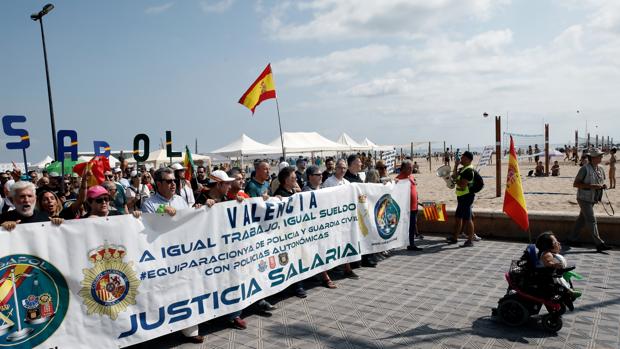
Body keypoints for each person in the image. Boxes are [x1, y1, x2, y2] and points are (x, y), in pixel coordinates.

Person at [140, 167, 204, 343]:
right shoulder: (149, 203)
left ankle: (190, 330)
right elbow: (149, 227)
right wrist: (163, 214)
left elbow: (188, 220)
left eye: (174, 181)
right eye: (168, 181)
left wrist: (197, 209)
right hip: (162, 255)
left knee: (186, 289)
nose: (173, 184)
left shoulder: (181, 200)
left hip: (182, 254)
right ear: (158, 184)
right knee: (165, 292)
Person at [568, 148, 612, 252]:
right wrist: (592, 186)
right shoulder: (584, 169)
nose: (601, 157)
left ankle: (571, 239)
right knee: (592, 220)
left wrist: (602, 186)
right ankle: (599, 244)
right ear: (593, 158)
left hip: (593, 198)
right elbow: (576, 184)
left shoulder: (600, 168)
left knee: (581, 219)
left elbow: (600, 182)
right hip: (583, 198)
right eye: (599, 156)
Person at [274, 166, 308, 297]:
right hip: (286, 234)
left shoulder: (293, 192)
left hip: (296, 232)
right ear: (285, 180)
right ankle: (296, 286)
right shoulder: (280, 194)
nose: (295, 178)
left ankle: (298, 284)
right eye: (292, 177)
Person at [344, 154, 376, 267]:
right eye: (358, 162)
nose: (361, 164)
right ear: (352, 164)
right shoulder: (346, 179)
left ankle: (366, 257)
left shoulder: (359, 178)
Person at [446, 151, 477, 247]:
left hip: (467, 196)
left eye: (463, 158)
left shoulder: (469, 170)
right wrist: (455, 166)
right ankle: (455, 238)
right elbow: (455, 175)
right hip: (461, 197)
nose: (461, 159)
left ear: (468, 159)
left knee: (468, 219)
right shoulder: (463, 169)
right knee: (458, 217)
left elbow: (463, 185)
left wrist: (455, 180)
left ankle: (470, 240)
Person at [396, 160, 423, 251]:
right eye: (409, 168)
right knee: (404, 227)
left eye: (412, 167)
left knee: (412, 226)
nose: (411, 169)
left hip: (414, 206)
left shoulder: (411, 176)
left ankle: (411, 244)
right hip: (406, 208)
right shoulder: (399, 179)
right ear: (403, 168)